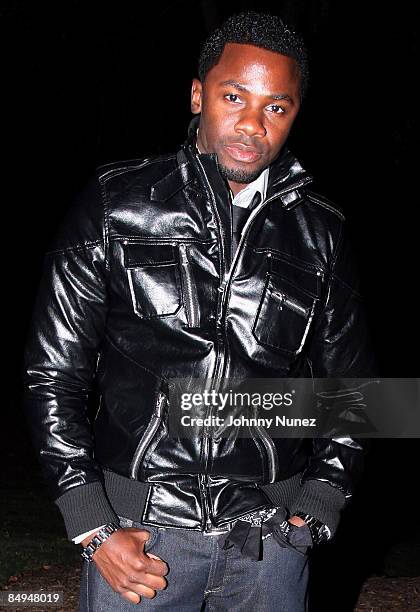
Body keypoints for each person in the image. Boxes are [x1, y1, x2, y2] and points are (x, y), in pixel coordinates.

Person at [23, 11, 377, 612]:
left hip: (268, 544)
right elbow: (53, 372)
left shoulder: (321, 233)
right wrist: (91, 522)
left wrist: (322, 497)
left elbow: (357, 391)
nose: (251, 124)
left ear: (294, 116)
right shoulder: (116, 203)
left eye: (276, 107)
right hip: (141, 541)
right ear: (198, 94)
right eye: (234, 95)